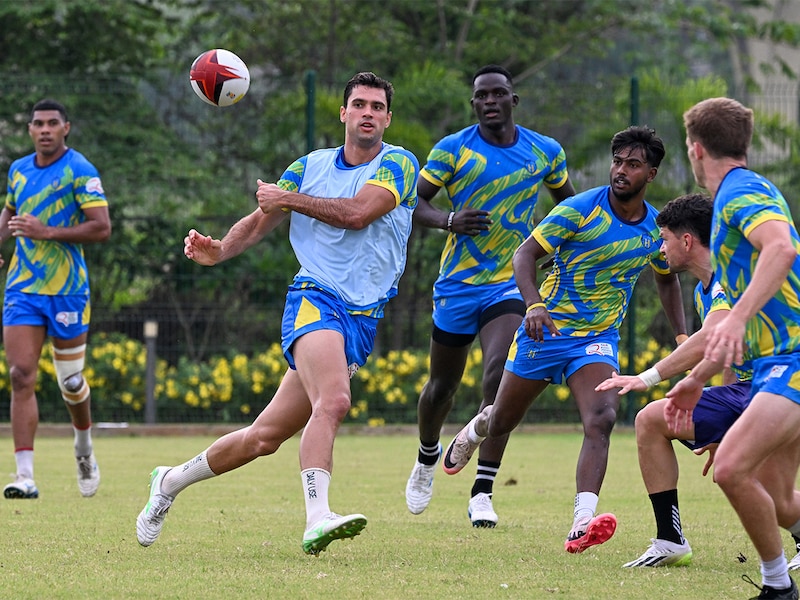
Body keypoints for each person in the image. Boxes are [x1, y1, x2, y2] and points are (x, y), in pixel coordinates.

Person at [136, 72, 419, 555]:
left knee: (263, 438)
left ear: (388, 119)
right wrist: (221, 248)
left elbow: (357, 214)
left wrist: (287, 198)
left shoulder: (399, 164)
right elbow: (261, 219)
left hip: (362, 317)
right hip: (315, 297)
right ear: (343, 113)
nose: (368, 112)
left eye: (377, 106)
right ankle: (317, 517)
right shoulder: (309, 165)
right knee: (334, 402)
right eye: (359, 104)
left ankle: (169, 481)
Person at [442, 125, 688, 554]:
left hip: (596, 339)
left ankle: (582, 519)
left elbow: (666, 280)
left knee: (603, 417)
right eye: (617, 162)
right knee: (503, 420)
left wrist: (683, 334)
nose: (621, 171)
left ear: (651, 173)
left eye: (633, 164)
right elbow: (524, 255)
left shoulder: (655, 228)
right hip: (546, 331)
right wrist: (534, 305)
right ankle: (480, 424)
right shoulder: (578, 210)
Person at [405, 64, 576, 528]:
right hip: (457, 285)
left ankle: (483, 489)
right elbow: (413, 203)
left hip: (510, 283)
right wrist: (448, 219)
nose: (491, 101)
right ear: (474, 104)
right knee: (442, 387)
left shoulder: (545, 151)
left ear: (513, 100)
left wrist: (547, 254)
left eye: (499, 93)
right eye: (482, 96)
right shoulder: (452, 150)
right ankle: (426, 459)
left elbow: (570, 209)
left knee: (500, 374)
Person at [598, 193, 800, 572]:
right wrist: (719, 422)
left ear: (686, 241)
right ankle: (670, 540)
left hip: (783, 384)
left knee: (773, 488)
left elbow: (711, 337)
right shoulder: (700, 290)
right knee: (650, 421)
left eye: (664, 239)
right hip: (745, 391)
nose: (661, 249)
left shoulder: (728, 279)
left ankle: (781, 570)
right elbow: (726, 353)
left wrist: (648, 376)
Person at [664, 97, 800, 599]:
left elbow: (782, 247)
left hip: (795, 360)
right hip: (770, 364)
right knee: (781, 502)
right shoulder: (730, 201)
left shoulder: (742, 192)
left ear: (696, 150)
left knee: (731, 467)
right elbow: (730, 326)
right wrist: (694, 380)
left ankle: (778, 587)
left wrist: (739, 315)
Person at [0, 99, 110, 499]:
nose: (44, 129)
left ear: (66, 128)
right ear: (29, 130)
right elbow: (10, 212)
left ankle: (83, 447)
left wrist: (45, 231)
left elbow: (101, 228)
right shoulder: (18, 169)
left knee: (71, 382)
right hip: (23, 287)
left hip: (67, 290)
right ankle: (25, 476)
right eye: (37, 124)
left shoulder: (80, 171)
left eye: (52, 123)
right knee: (20, 375)